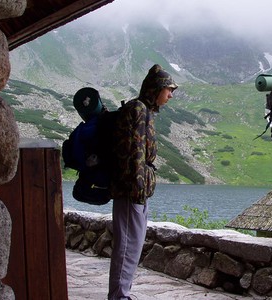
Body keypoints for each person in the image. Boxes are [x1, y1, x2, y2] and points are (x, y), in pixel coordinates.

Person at [108, 64, 178, 299]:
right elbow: (135, 151)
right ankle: (119, 295)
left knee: (131, 244)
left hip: (135, 189)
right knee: (128, 244)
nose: (170, 95)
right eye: (169, 89)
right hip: (131, 190)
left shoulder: (144, 110)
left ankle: (121, 293)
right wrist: (137, 189)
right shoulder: (138, 109)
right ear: (156, 88)